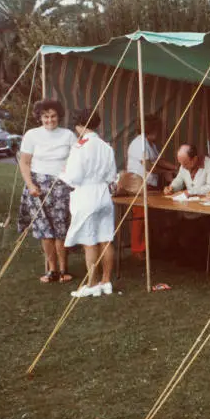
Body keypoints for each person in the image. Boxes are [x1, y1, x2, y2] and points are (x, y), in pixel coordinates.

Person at [17, 99, 77, 283]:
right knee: (45, 230)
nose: (49, 120)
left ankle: (63, 269)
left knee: (61, 229)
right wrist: (30, 185)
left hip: (61, 187)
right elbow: (24, 162)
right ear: (39, 117)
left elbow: (76, 160)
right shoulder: (31, 135)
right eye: (45, 116)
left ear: (59, 116)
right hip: (38, 186)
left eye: (53, 116)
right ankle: (51, 270)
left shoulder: (67, 135)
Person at [60, 109, 118, 298]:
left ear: (79, 126)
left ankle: (92, 283)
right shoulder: (106, 146)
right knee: (106, 238)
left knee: (89, 242)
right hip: (104, 194)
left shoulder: (80, 146)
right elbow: (111, 176)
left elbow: (74, 177)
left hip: (86, 194)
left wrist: (62, 173)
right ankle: (106, 281)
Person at [126, 115, 177, 259]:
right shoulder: (139, 143)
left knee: (149, 218)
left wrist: (176, 167)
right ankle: (137, 250)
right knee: (140, 218)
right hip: (139, 185)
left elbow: (159, 161)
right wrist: (168, 171)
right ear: (152, 129)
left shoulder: (150, 144)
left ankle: (148, 247)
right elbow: (149, 166)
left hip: (149, 185)